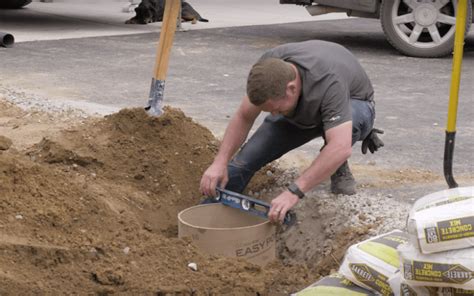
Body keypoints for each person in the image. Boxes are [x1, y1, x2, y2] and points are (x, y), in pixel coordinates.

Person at [200, 40, 384, 223]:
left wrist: (293, 192)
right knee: (244, 162)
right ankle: (209, 215)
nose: (272, 114)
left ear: (291, 89)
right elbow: (244, 116)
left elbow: (340, 146)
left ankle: (337, 165)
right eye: (269, 110)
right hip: (302, 108)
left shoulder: (328, 82)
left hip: (355, 104)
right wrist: (220, 162)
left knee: (342, 135)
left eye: (276, 110)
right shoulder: (268, 70)